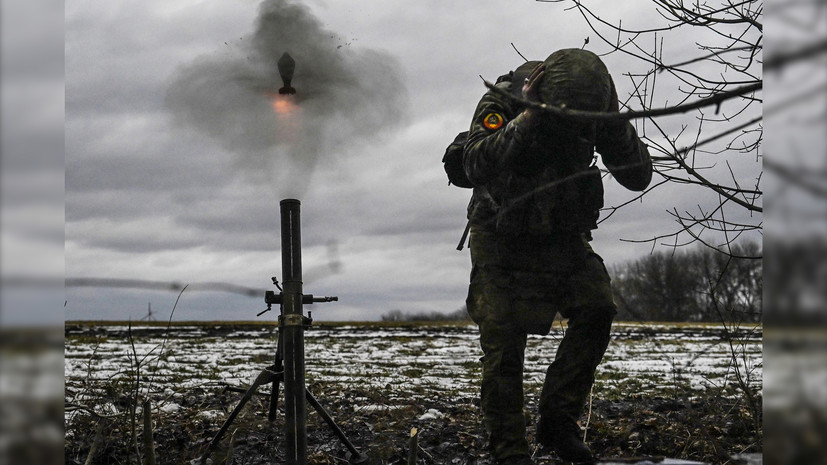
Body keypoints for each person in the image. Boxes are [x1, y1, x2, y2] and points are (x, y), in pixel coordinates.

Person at [462, 49, 653, 465]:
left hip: (562, 235)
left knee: (597, 307)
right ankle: (509, 450)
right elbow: (472, 162)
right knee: (503, 340)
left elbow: (638, 176)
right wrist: (528, 117)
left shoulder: (596, 109)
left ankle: (558, 422)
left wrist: (613, 124)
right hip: (501, 233)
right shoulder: (506, 97)